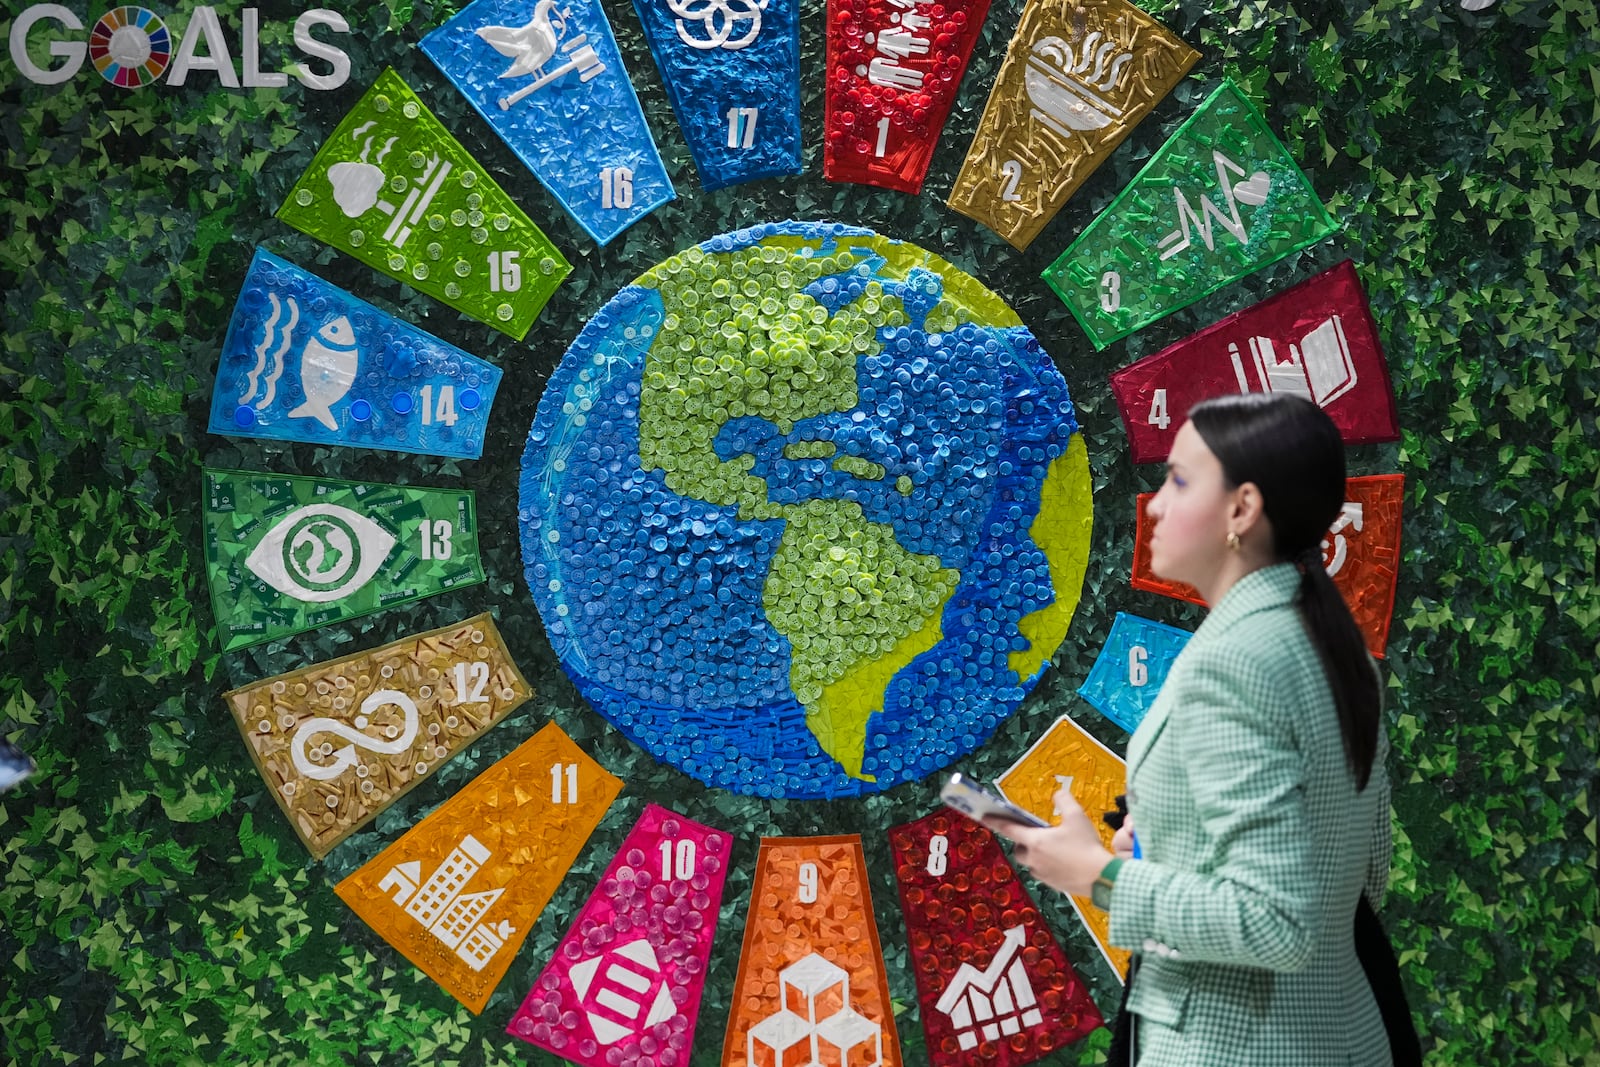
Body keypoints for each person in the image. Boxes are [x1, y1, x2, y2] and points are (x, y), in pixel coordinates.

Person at [986, 393, 1395, 1066]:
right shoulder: (1333, 644)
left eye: (1178, 480)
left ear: (1242, 510)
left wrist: (1099, 875)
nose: (1154, 504)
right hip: (1344, 1033)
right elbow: (1358, 878)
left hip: (1236, 1048)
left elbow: (1277, 923)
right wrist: (1169, 849)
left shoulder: (1232, 663)